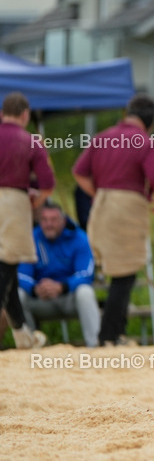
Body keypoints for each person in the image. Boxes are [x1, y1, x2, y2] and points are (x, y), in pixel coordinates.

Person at [72, 93, 154, 346]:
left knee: (112, 271)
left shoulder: (103, 137)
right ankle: (109, 335)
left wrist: (100, 192)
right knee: (124, 274)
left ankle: (114, 333)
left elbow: (79, 173)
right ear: (151, 121)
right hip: (127, 206)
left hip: (102, 206)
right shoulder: (144, 141)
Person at [0, 91, 53, 349]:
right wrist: (37, 200)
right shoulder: (30, 141)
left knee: (8, 274)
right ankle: (22, 336)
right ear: (25, 115)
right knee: (6, 267)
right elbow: (47, 184)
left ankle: (22, 335)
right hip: (12, 203)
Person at [17, 202, 100, 347]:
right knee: (18, 295)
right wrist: (35, 288)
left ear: (63, 220)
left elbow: (86, 273)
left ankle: (95, 345)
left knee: (85, 292)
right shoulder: (31, 238)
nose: (49, 224)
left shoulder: (79, 238)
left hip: (69, 297)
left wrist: (63, 286)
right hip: (40, 299)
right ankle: (29, 345)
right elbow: (20, 274)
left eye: (54, 220)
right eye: (44, 220)